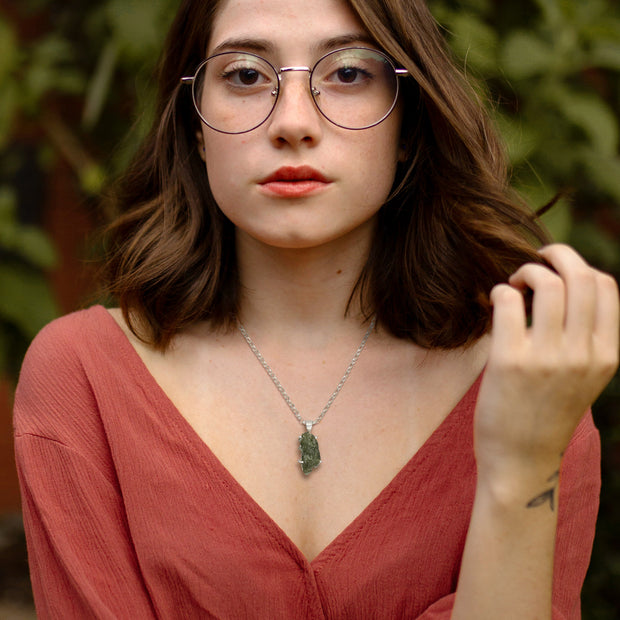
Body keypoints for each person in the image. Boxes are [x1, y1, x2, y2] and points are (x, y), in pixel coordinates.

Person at [13, 0, 619, 617]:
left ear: (407, 126)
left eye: (349, 72)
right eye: (246, 75)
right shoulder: (82, 377)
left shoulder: (533, 382)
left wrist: (519, 472)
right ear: (196, 126)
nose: (293, 123)